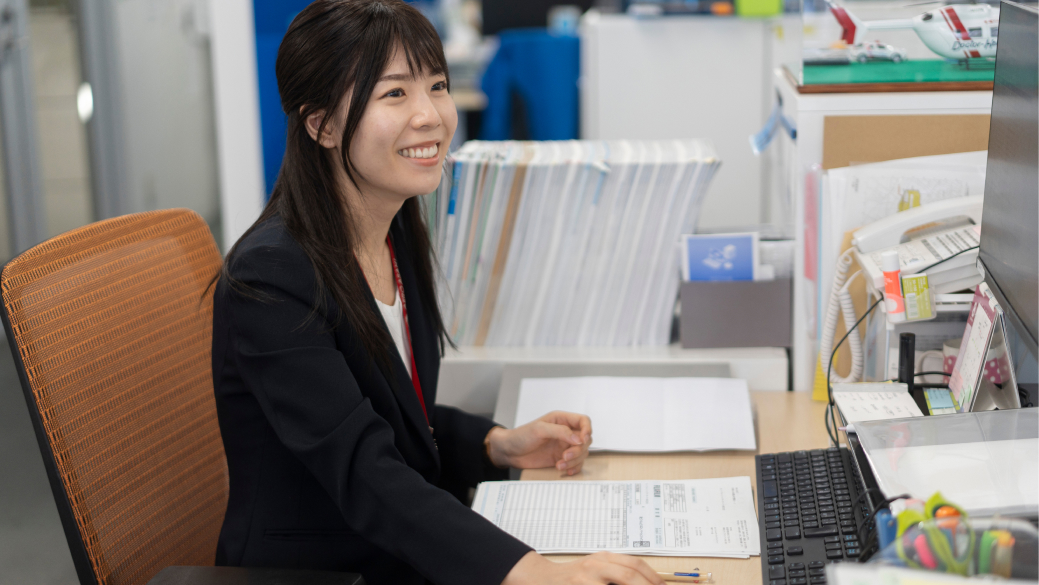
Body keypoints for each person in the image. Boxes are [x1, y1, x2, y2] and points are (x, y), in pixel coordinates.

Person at [211, 1, 666, 584]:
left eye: (437, 85)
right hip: (325, 570)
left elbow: (389, 406)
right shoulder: (271, 278)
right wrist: (538, 574)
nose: (431, 116)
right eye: (394, 94)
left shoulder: (392, 225)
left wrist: (496, 443)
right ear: (320, 124)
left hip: (392, 550)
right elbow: (363, 468)